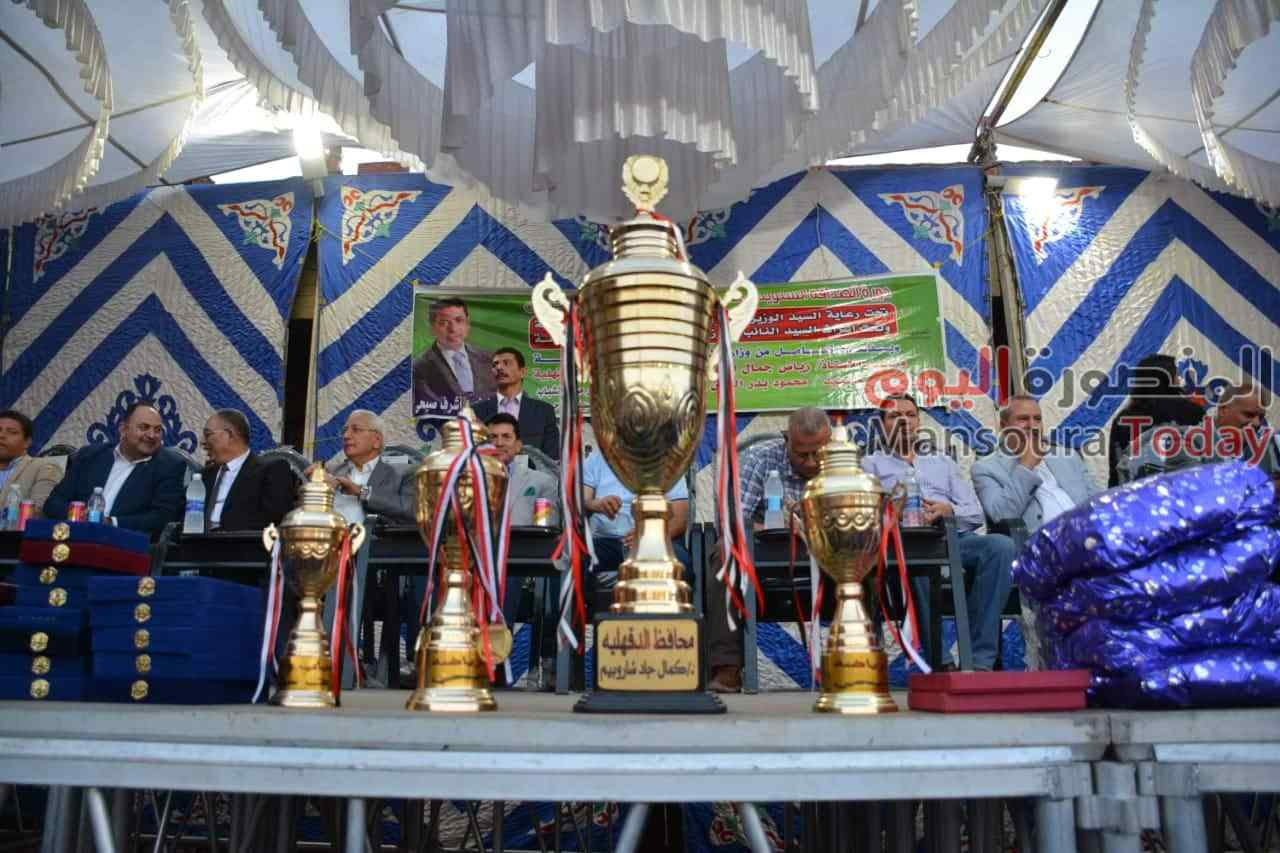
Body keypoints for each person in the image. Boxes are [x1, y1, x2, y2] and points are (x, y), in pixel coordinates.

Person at [863, 394, 1016, 672]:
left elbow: (974, 513)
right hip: (906, 545)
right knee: (921, 565)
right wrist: (893, 512)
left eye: (910, 415)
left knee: (1001, 547)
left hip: (952, 538)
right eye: (894, 416)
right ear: (882, 425)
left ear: (919, 422)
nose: (904, 421)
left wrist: (949, 511)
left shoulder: (941, 462)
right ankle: (942, 663)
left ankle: (979, 662)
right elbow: (866, 519)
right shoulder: (870, 465)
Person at [705, 407, 832, 693]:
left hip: (828, 556)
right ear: (787, 439)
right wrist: (776, 526)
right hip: (769, 555)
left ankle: (860, 660)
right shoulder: (762, 458)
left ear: (831, 441)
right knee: (725, 553)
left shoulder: (844, 462)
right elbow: (734, 521)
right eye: (802, 455)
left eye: (818, 453)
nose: (811, 462)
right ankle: (726, 669)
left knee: (868, 554)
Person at [972, 395, 1100, 669]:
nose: (1032, 425)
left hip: (1085, 543)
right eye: (1023, 419)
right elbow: (1001, 514)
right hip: (1040, 550)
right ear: (1004, 426)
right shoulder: (986, 467)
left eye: (1037, 419)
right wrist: (1026, 466)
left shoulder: (1067, 457)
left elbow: (1097, 501)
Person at [44, 402, 186, 539]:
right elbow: (53, 503)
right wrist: (80, 516)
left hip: (125, 544)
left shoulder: (169, 466)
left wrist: (111, 523)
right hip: (73, 537)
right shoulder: (90, 455)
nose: (152, 435)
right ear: (123, 429)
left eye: (158, 430)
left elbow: (162, 518)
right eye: (144, 427)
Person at [582, 449, 690, 588]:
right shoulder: (596, 459)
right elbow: (582, 501)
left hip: (656, 542)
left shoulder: (669, 461)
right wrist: (595, 504)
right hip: (604, 542)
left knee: (680, 563)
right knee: (571, 558)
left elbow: (679, 520)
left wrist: (650, 535)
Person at [1108, 354, 1205, 487]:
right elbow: (1209, 460)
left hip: (1139, 494)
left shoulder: (1123, 419)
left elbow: (1116, 473)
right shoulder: (1194, 412)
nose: (1179, 379)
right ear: (1169, 379)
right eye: (1176, 375)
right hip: (1186, 491)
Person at [200, 409, 296, 531]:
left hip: (244, 541)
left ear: (229, 434)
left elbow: (275, 520)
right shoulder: (204, 476)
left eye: (208, 435)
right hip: (198, 541)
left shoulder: (272, 470)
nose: (202, 442)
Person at [411, 297, 495, 416]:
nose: (453, 329)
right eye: (444, 322)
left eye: (459, 320)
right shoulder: (419, 368)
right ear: (432, 327)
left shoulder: (489, 359)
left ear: (467, 324)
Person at [474, 348, 561, 460]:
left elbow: (551, 459)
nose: (499, 368)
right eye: (495, 365)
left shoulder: (543, 411)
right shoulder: (477, 411)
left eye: (506, 363)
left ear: (522, 372)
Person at [485, 413, 560, 527]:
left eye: (506, 437)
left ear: (518, 446)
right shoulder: (469, 481)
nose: (499, 443)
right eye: (493, 437)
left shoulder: (542, 482)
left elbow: (546, 529)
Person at [0, 410, 61, 518]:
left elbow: (39, 511)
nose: (2, 435)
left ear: (27, 442)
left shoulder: (44, 468)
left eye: (12, 432)